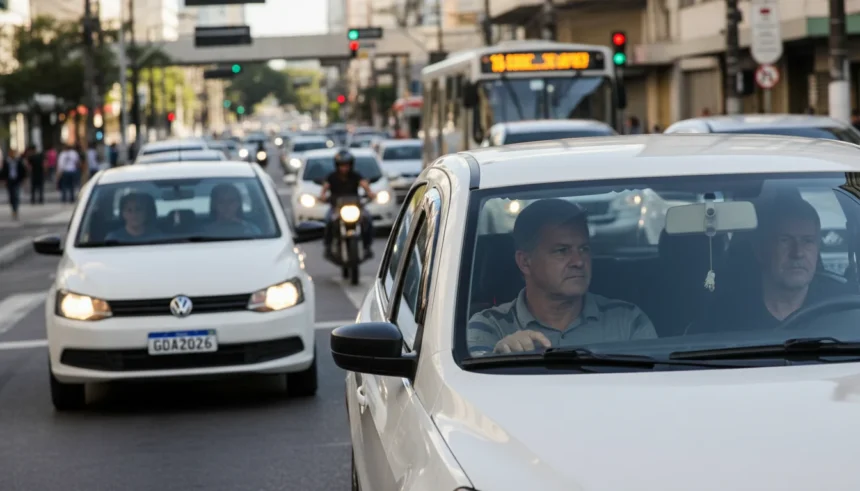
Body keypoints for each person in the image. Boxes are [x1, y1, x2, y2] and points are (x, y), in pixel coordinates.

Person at [467, 199, 657, 355]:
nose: (578, 261)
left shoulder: (628, 321)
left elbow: (654, 389)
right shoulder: (489, 327)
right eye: (561, 251)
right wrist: (498, 358)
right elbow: (471, 391)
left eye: (584, 249)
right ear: (525, 262)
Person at [693, 197, 856, 332]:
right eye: (784, 240)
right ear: (760, 250)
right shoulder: (725, 314)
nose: (797, 253)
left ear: (818, 247)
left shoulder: (844, 306)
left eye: (807, 241)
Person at [318, 149, 376, 259]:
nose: (344, 168)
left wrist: (370, 193)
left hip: (355, 206)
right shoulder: (332, 176)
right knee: (328, 221)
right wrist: (322, 196)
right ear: (337, 166)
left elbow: (364, 184)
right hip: (337, 208)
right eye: (342, 165)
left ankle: (367, 247)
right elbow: (325, 187)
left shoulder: (355, 175)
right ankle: (328, 247)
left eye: (347, 165)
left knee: (367, 219)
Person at [0, 149, 28, 221]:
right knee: (11, 196)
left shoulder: (18, 161)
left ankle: (15, 209)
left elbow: (23, 171)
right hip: (9, 181)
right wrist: (3, 180)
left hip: (17, 180)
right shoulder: (7, 161)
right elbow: (3, 172)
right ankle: (13, 209)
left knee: (16, 195)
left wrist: (24, 179)